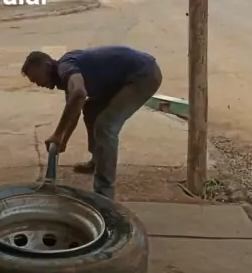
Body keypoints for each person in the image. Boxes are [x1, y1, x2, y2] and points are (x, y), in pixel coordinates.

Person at [21, 45, 162, 201]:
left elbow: (79, 93)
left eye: (35, 78)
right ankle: (97, 159)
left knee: (105, 125)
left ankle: (104, 194)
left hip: (143, 75)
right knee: (91, 109)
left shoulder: (65, 67)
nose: (37, 84)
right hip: (128, 75)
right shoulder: (66, 75)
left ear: (47, 66)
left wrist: (57, 134)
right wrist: (63, 140)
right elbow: (74, 111)